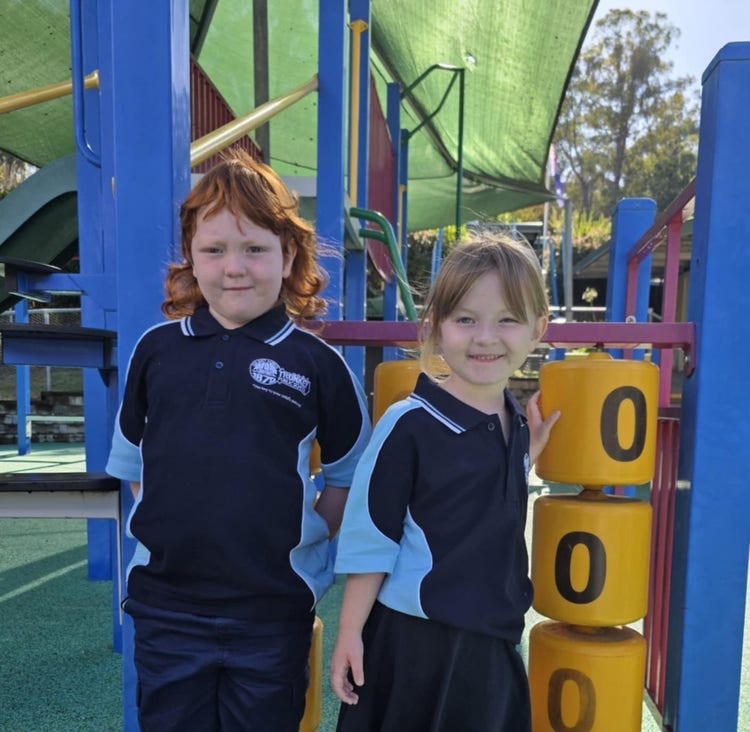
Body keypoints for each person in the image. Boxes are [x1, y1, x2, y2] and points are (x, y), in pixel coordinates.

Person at [106, 150, 371, 732]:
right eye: (214, 249)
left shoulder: (320, 366)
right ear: (191, 260)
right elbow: (136, 470)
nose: (235, 267)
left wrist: (309, 532)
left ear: (289, 255)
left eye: (255, 249)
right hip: (166, 611)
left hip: (272, 614)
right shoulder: (155, 352)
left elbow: (350, 475)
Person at [330, 233, 560, 732]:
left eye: (507, 320)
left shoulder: (515, 424)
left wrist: (527, 454)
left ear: (537, 328)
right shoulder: (409, 423)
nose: (485, 337)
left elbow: (482, 494)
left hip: (492, 639)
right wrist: (350, 632)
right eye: (466, 320)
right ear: (435, 329)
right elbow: (373, 538)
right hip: (417, 641)